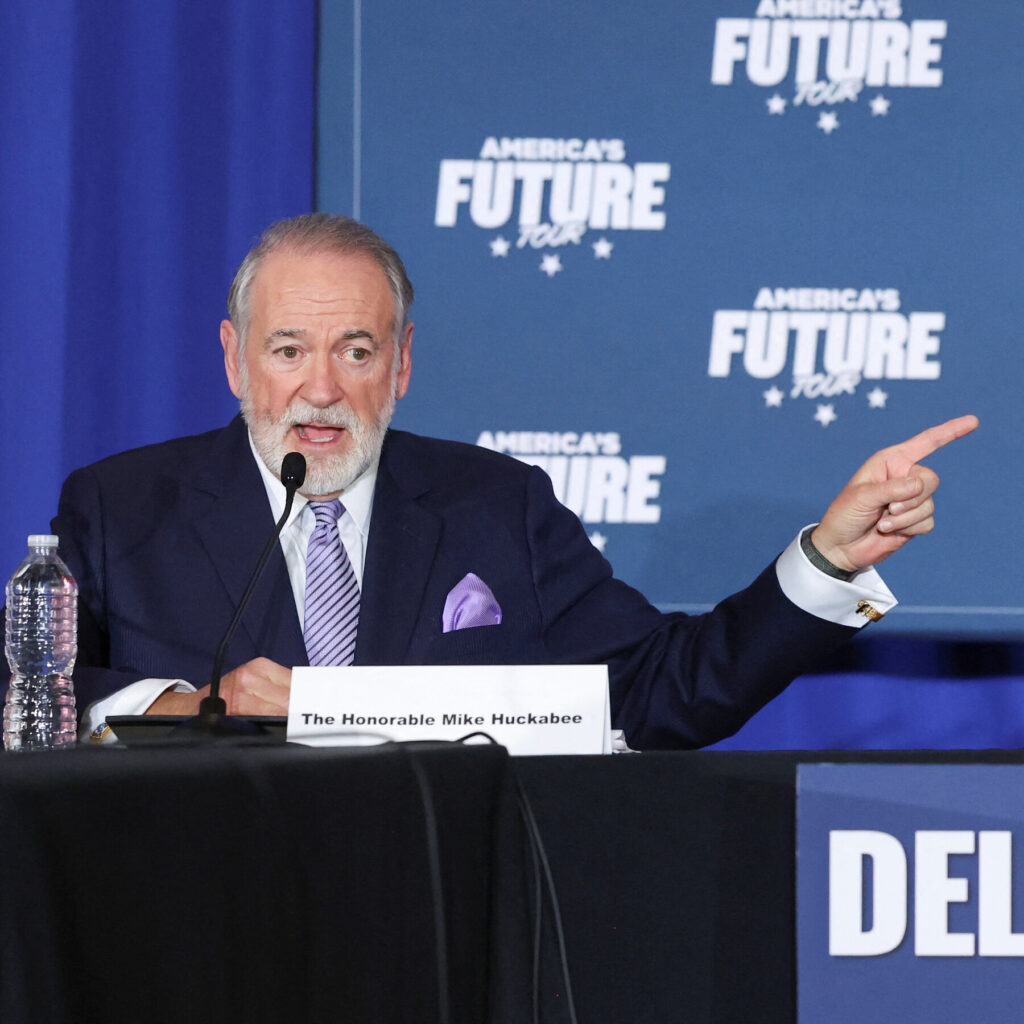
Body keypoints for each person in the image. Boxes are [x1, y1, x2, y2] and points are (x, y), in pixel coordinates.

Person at [46, 214, 977, 749]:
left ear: (402, 364)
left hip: (443, 935)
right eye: (288, 350)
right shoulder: (122, 507)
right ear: (234, 359)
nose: (320, 389)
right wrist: (191, 709)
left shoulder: (497, 505)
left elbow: (663, 690)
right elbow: (32, 694)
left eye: (356, 351)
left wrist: (827, 560)